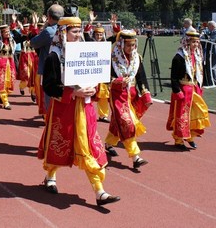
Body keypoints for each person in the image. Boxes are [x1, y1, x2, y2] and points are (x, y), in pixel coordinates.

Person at [38, 16, 120, 207]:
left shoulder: (88, 53)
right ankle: (50, 175)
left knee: (89, 146)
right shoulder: (54, 57)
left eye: (79, 31)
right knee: (59, 143)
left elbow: (98, 76)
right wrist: (73, 92)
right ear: (63, 33)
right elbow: (49, 87)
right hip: (64, 108)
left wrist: (94, 89)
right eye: (73, 31)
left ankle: (99, 191)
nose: (77, 35)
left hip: (86, 108)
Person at [104, 29, 153, 169]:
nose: (131, 48)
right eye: (127, 45)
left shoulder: (137, 58)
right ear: (120, 44)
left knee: (118, 122)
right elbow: (106, 77)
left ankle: (108, 143)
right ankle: (135, 156)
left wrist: (146, 94)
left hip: (132, 93)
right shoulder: (111, 58)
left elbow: (141, 77)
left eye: (133, 45)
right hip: (117, 94)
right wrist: (118, 81)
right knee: (127, 122)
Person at [167, 30, 211, 150]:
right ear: (187, 42)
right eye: (193, 42)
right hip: (183, 89)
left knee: (198, 111)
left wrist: (200, 86)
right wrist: (177, 91)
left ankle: (190, 136)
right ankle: (179, 139)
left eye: (197, 42)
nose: (196, 45)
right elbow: (174, 77)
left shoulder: (197, 56)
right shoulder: (179, 57)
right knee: (181, 115)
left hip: (194, 89)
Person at [30, 4, 64, 112]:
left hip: (49, 67)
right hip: (63, 67)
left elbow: (34, 43)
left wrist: (44, 27)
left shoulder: (48, 31)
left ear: (49, 17)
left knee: (49, 96)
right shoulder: (66, 29)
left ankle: (50, 120)